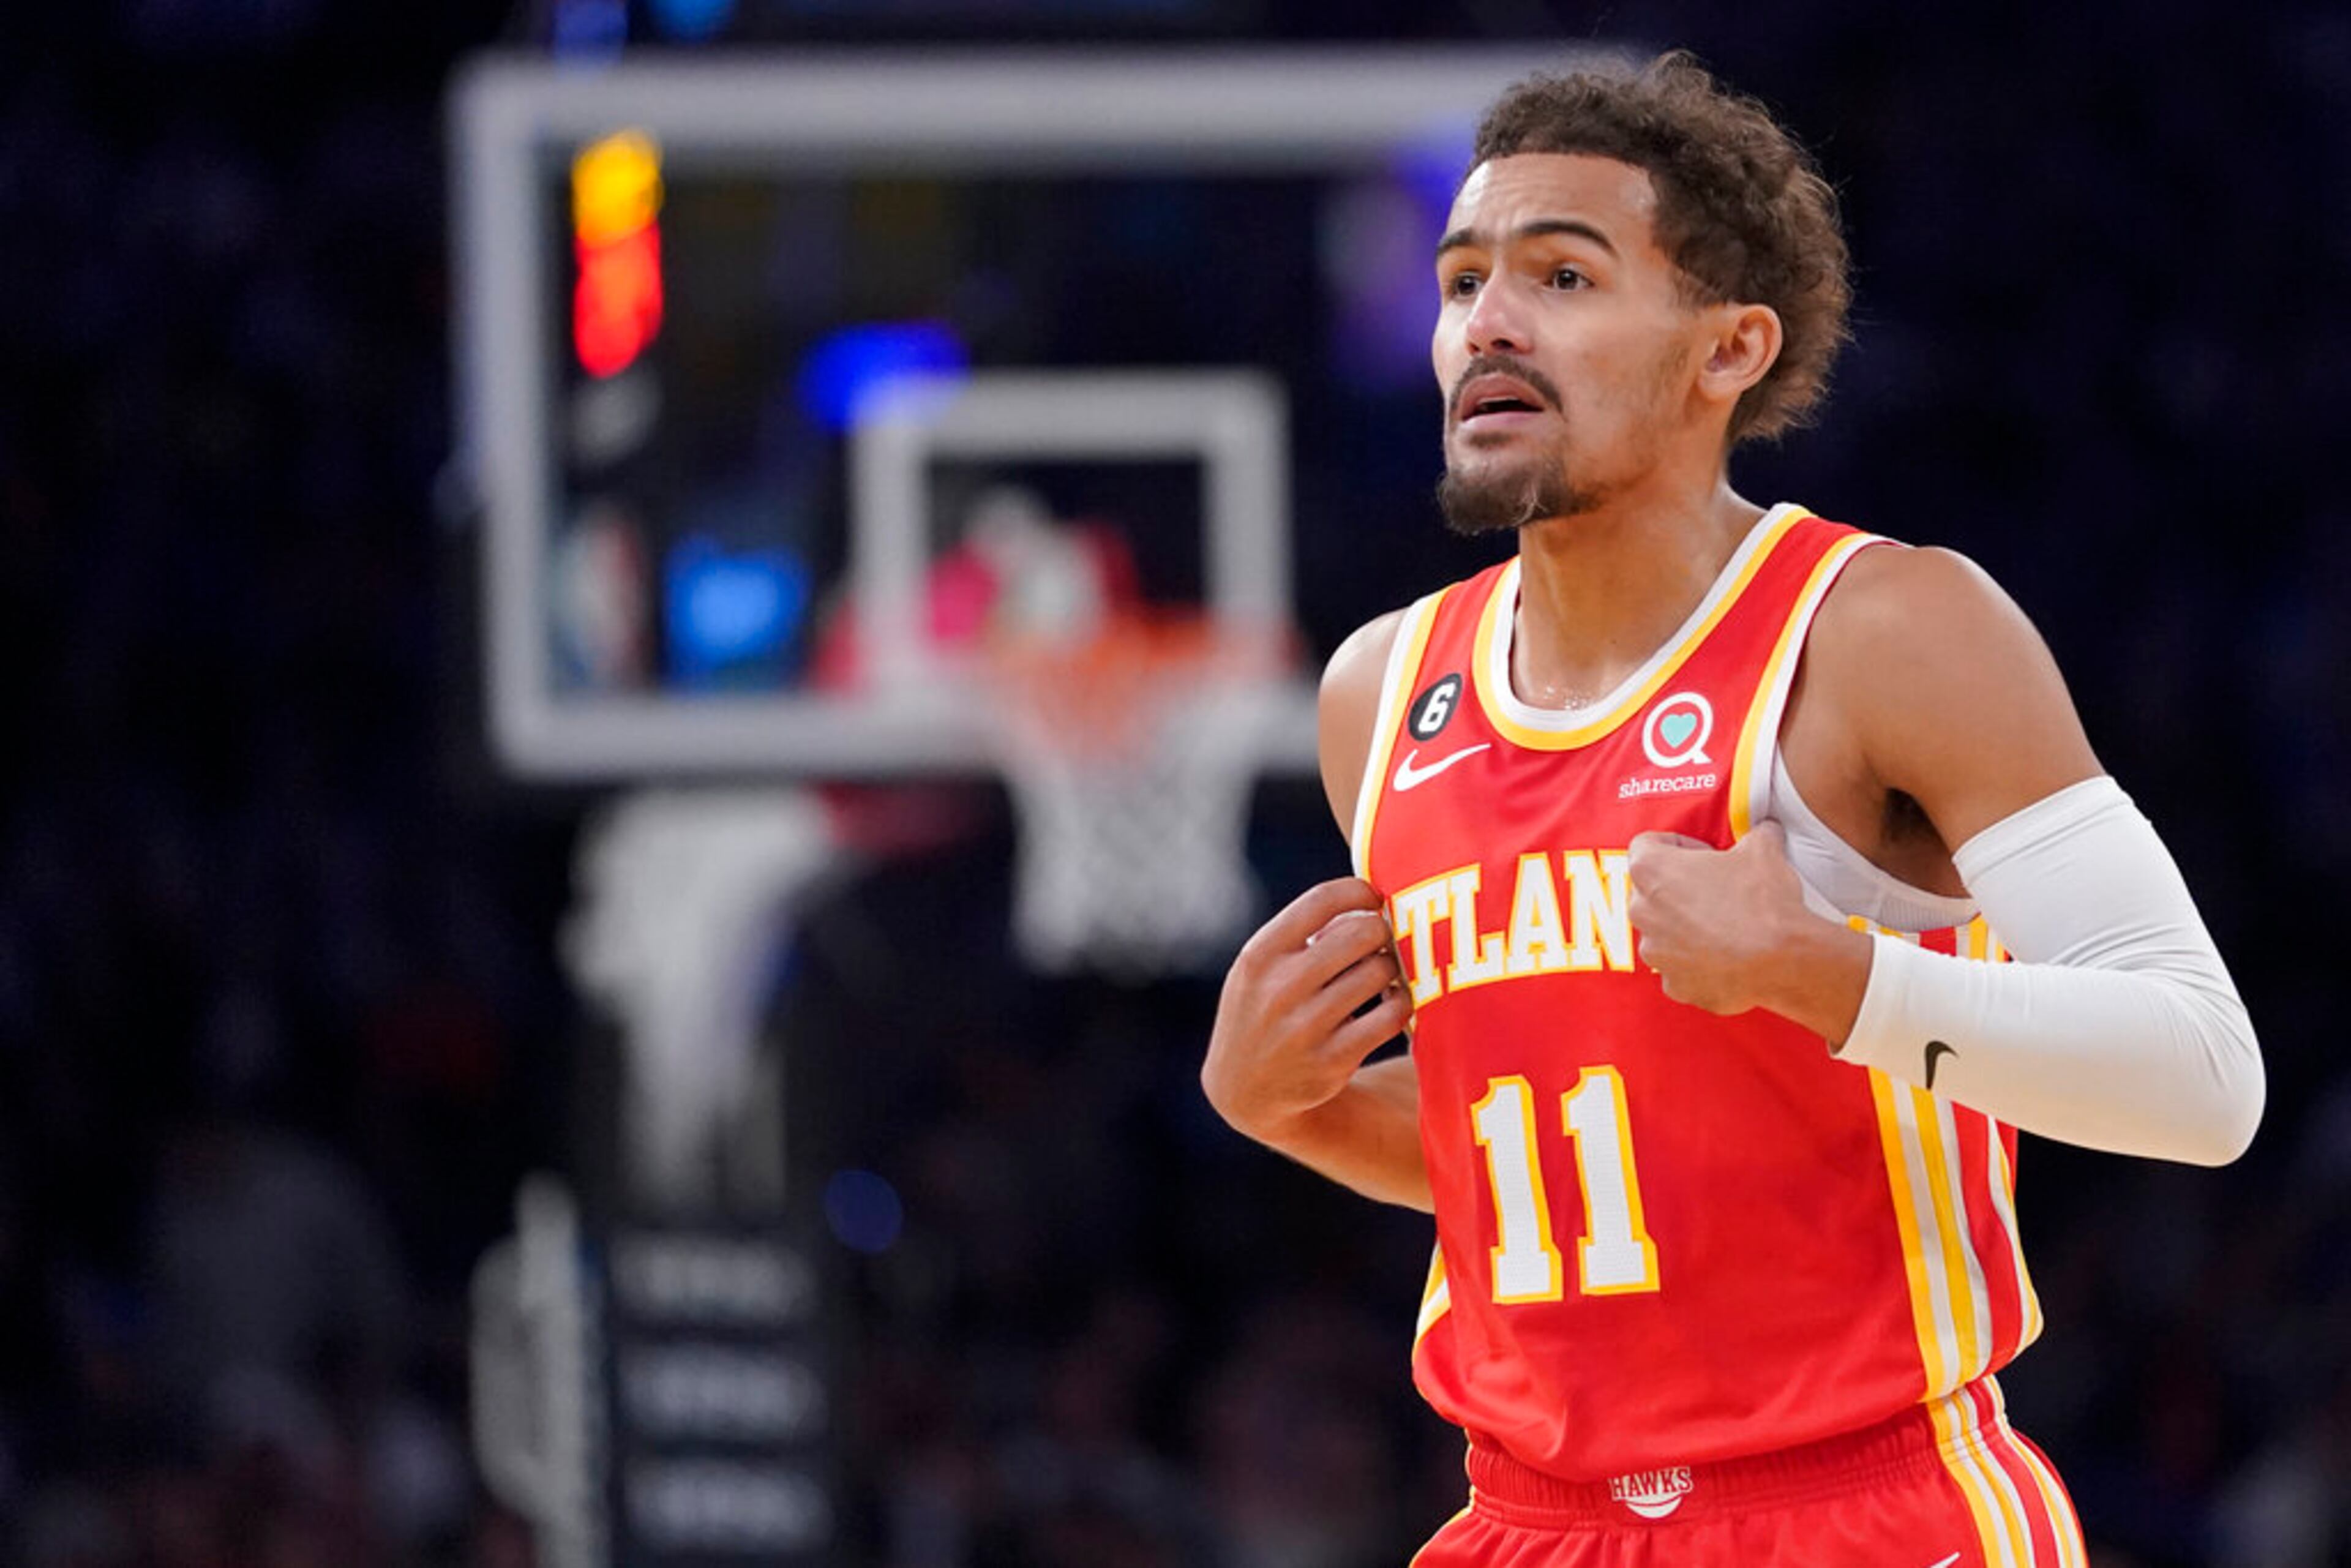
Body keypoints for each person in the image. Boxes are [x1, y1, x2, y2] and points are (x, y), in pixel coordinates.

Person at [1201, 52, 2263, 1568]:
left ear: (1728, 350)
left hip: (1868, 1508)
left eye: (1564, 276)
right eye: (1462, 282)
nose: (1488, 323)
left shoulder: (1888, 628)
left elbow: (2205, 1077)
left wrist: (1830, 978)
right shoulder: (1381, 693)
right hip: (1530, 1522)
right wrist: (1285, 1108)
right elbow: (1566, 1162)